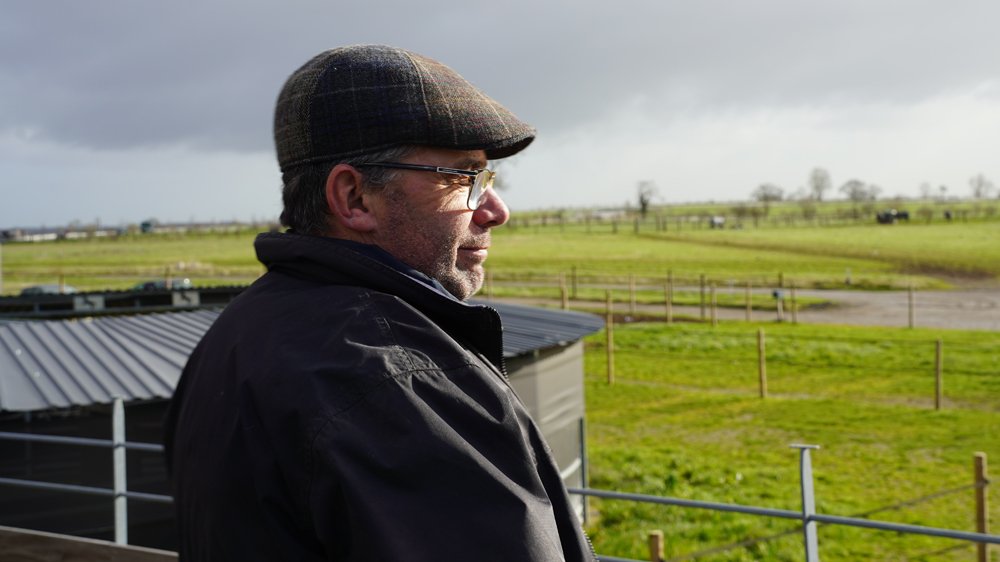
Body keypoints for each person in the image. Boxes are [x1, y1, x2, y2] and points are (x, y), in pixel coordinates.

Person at [165, 45, 595, 561]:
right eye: (464, 177)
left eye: (488, 178)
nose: (496, 210)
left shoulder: (233, 335)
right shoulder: (400, 383)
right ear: (354, 198)